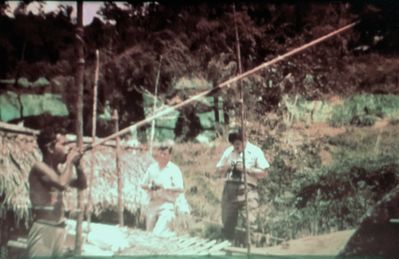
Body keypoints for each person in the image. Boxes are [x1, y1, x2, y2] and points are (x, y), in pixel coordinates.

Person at [27, 127, 87, 258]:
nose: (67, 148)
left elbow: (82, 184)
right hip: (43, 230)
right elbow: (61, 184)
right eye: (64, 144)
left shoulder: (59, 173)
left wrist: (78, 166)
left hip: (59, 229)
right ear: (50, 148)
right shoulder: (39, 167)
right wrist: (70, 162)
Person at [216, 128, 270, 244]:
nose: (236, 147)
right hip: (230, 190)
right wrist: (227, 167)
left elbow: (264, 173)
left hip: (248, 190)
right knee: (227, 222)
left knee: (250, 223)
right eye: (233, 145)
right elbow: (218, 170)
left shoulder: (255, 151)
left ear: (245, 139)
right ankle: (227, 249)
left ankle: (250, 250)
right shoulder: (228, 152)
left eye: (238, 144)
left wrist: (247, 169)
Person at [141, 140, 184, 237]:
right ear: (159, 153)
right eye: (162, 154)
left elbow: (180, 188)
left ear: (170, 155)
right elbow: (143, 184)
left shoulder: (174, 169)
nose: (163, 156)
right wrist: (150, 187)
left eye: (166, 154)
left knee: (158, 233)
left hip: (167, 205)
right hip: (153, 203)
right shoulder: (152, 168)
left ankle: (171, 235)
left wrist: (166, 187)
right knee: (148, 234)